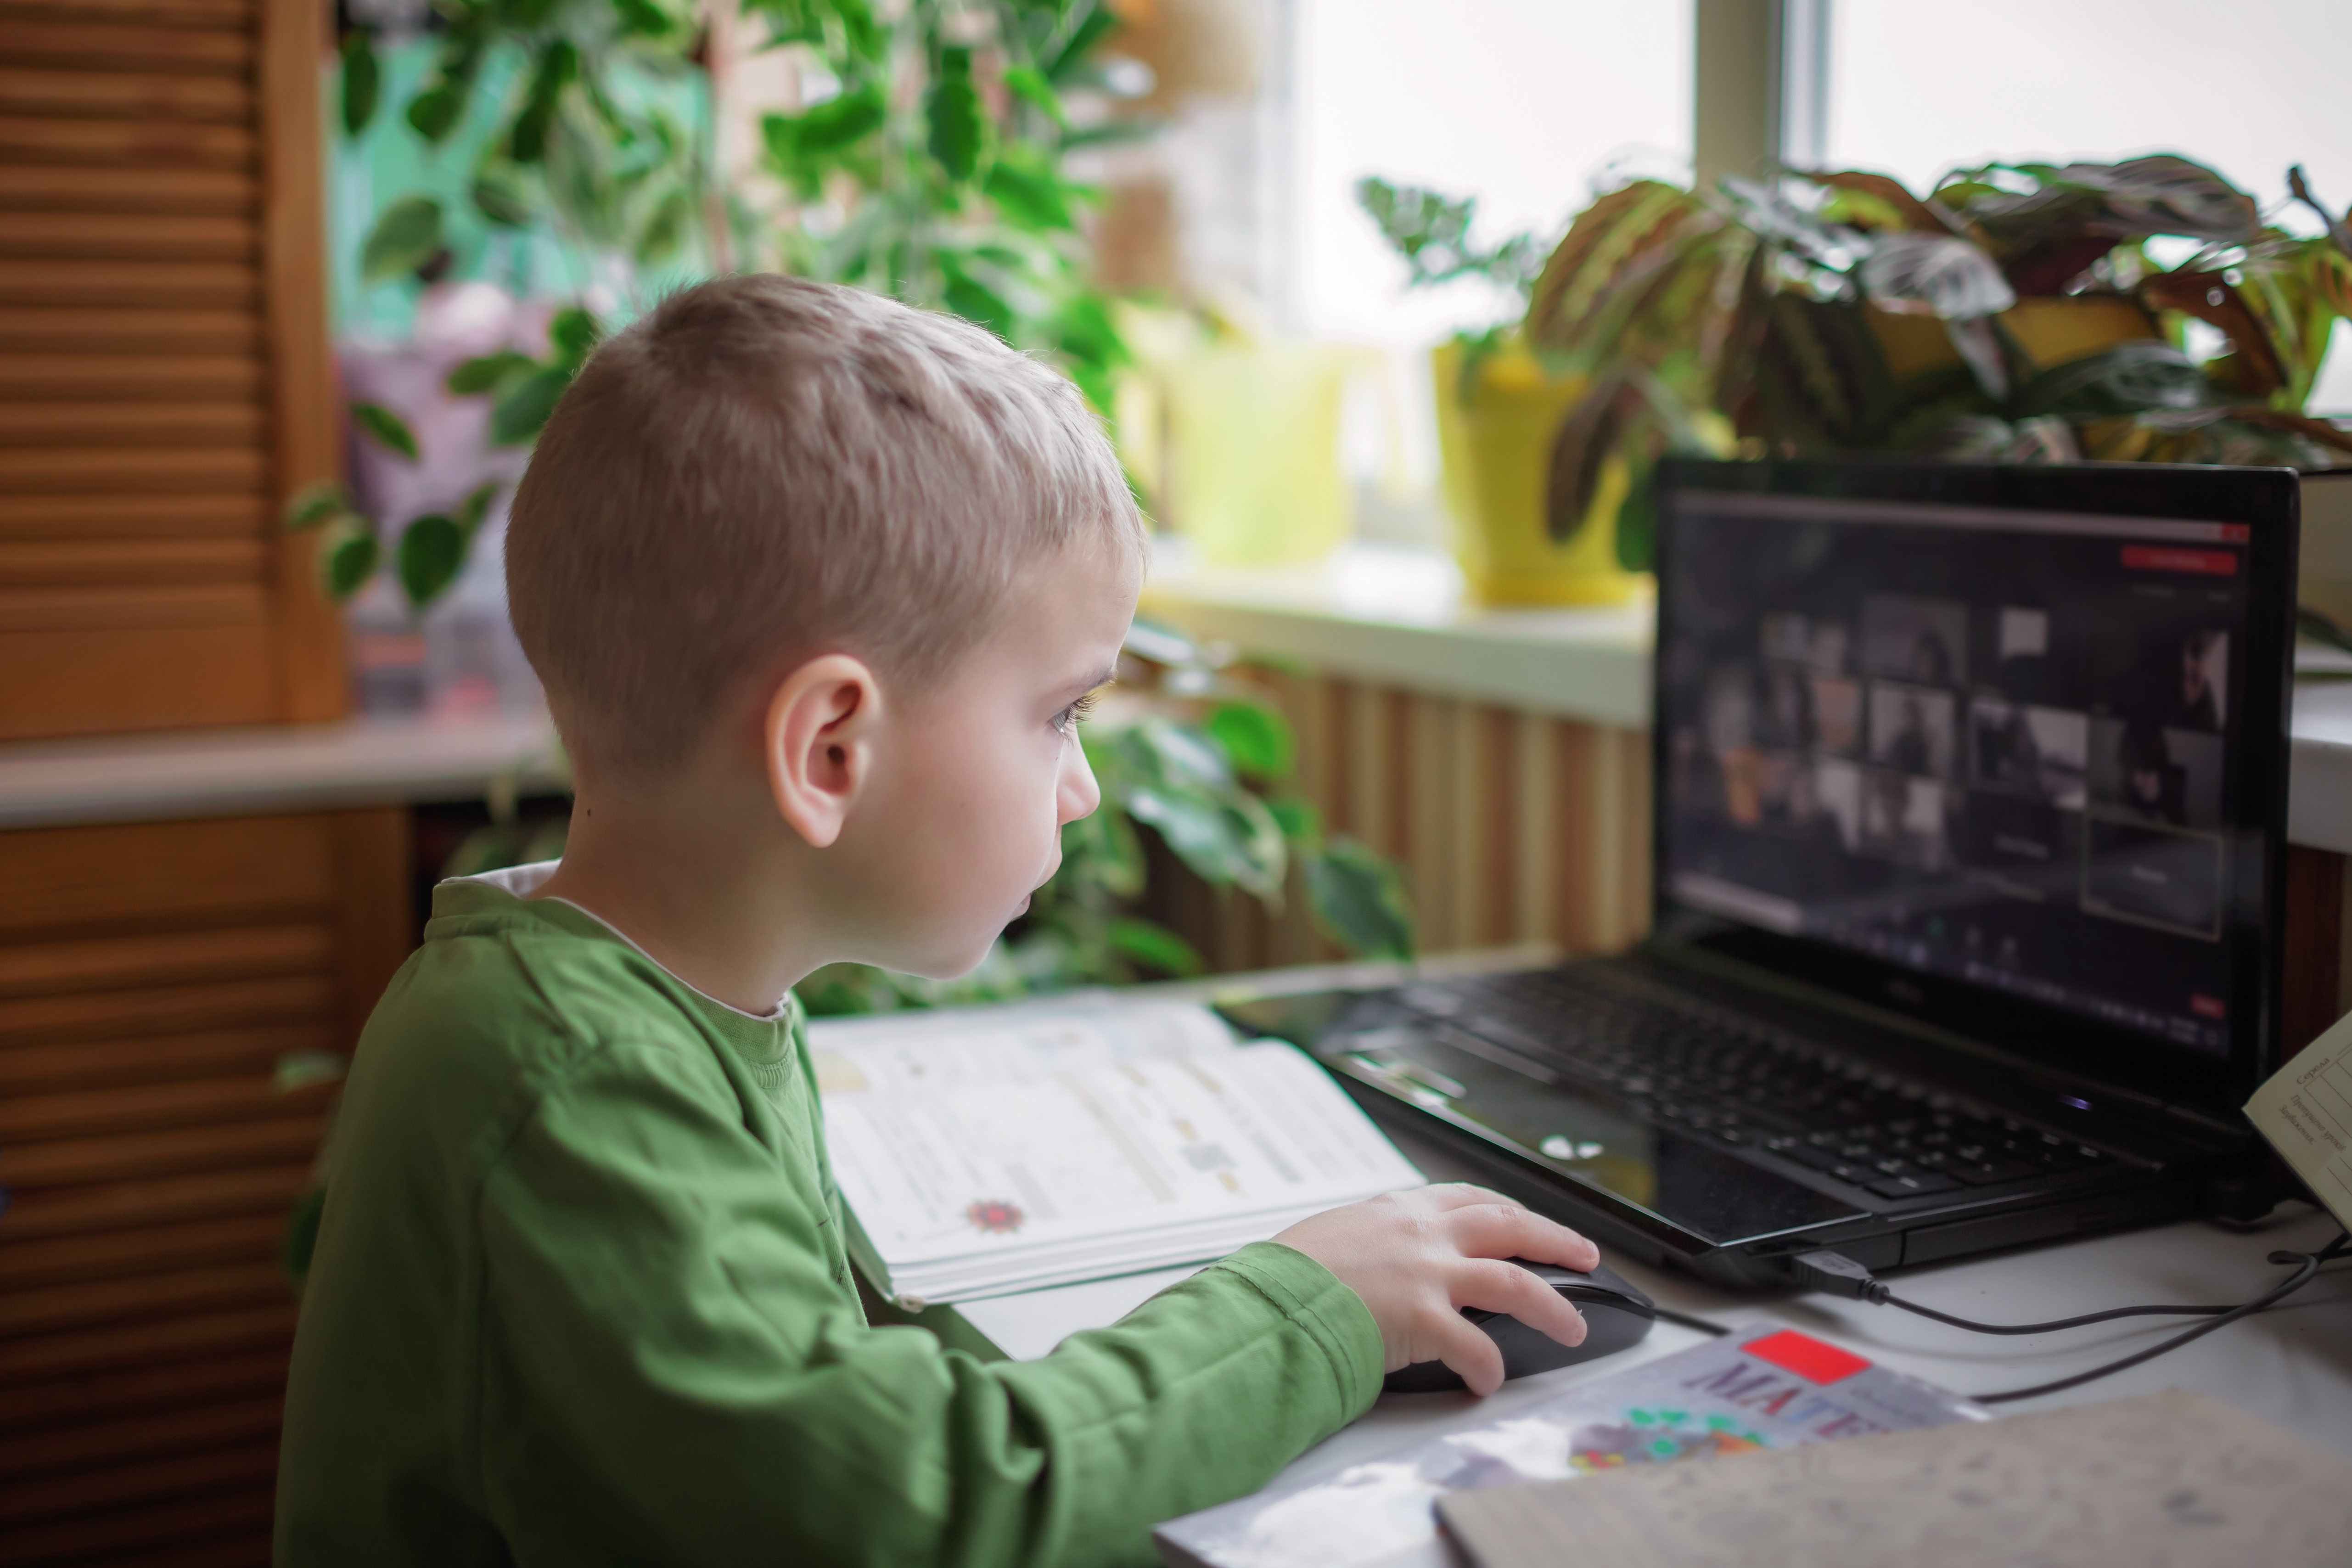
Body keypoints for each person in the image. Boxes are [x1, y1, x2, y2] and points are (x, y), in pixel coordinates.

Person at [273, 275, 1597, 1567]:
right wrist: (1313, 1308)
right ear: (831, 748)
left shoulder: (637, 996)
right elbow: (919, 1512)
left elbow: (835, 1397)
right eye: (1059, 715)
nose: (1080, 789)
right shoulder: (571, 1077)